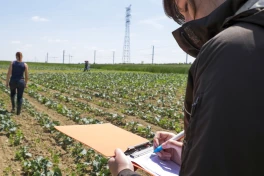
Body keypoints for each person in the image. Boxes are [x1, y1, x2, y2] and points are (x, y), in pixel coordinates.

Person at [109, 0, 264, 175]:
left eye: (185, 12)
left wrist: (124, 172)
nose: (189, 23)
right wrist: (191, 153)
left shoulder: (231, 48)